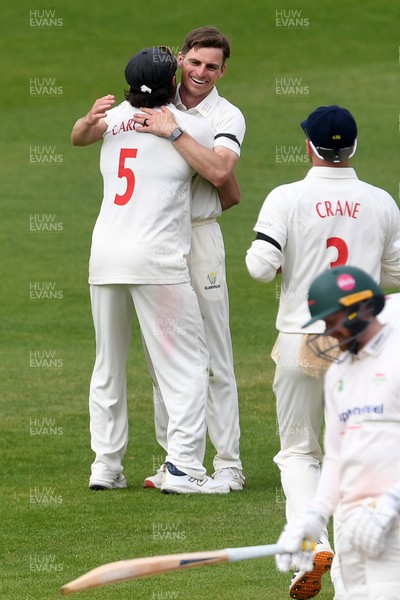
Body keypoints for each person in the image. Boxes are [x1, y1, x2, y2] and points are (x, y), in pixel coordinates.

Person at [245, 105, 400, 596]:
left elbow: (259, 268)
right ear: (352, 148)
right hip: (359, 342)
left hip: (300, 338)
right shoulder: (380, 201)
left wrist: (287, 266)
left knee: (298, 453)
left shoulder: (286, 197)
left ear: (309, 146)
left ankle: (313, 549)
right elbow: (397, 272)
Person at [71, 45, 230, 495]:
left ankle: (105, 465)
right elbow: (221, 177)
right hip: (157, 261)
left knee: (108, 365)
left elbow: (80, 137)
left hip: (104, 257)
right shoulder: (191, 126)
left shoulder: (113, 120)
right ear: (172, 85)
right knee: (185, 366)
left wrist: (87, 120)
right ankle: (181, 467)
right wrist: (177, 133)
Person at [133, 27, 246, 491]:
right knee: (167, 355)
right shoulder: (156, 98)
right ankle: (176, 461)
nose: (202, 73)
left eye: (212, 66)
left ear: (223, 70)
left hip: (199, 240)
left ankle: (229, 465)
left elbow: (224, 177)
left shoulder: (227, 114)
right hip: (158, 240)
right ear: (181, 59)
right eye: (195, 62)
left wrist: (175, 133)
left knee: (214, 355)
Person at [275, 265, 400, 600]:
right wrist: (311, 521)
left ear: (362, 308)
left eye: (334, 322)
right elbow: (336, 460)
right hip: (352, 528)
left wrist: (390, 503)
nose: (330, 333)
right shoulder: (338, 374)